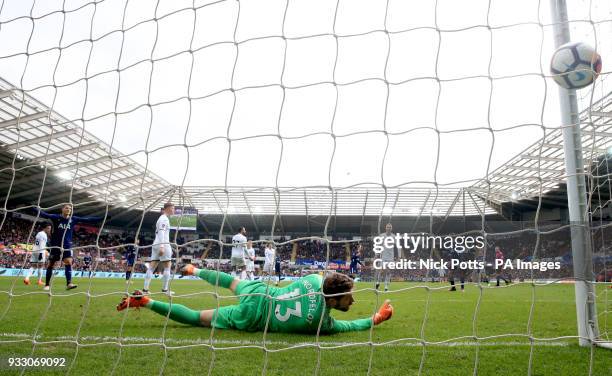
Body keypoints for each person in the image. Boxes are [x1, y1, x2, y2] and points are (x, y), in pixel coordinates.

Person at [117, 264, 393, 334]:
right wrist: (375, 319)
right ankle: (148, 303)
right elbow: (351, 326)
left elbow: (323, 279)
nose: (352, 302)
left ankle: (194, 270)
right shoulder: (321, 324)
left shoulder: (313, 279)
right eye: (348, 299)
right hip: (254, 318)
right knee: (195, 318)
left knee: (230, 281)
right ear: (332, 303)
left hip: (260, 292)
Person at [36, 204, 102, 291]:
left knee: (68, 262)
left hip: (67, 245)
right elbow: (45, 215)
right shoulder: (56, 217)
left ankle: (69, 283)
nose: (69, 209)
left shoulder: (73, 219)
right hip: (55, 245)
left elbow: (88, 220)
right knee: (51, 265)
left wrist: (102, 218)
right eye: (67, 208)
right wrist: (35, 208)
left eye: (70, 208)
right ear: (62, 209)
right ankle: (47, 284)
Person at [144, 203, 175, 295]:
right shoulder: (164, 218)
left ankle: (145, 290)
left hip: (156, 244)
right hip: (163, 243)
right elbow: (161, 232)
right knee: (167, 266)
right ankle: (165, 290)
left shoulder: (163, 218)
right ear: (168, 208)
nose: (174, 210)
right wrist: (162, 246)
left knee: (152, 266)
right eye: (173, 208)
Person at [375, 223, 397, 291]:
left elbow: (398, 246)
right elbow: (378, 245)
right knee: (381, 271)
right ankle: (378, 282)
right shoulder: (382, 236)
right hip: (383, 256)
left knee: (388, 271)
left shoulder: (394, 236)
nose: (389, 228)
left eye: (390, 227)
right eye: (387, 227)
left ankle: (386, 286)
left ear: (391, 228)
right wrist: (376, 254)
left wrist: (399, 256)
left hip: (391, 257)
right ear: (385, 228)